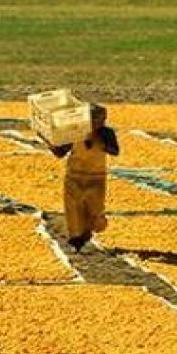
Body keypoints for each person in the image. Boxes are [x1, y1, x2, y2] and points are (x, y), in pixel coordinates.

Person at [50, 104, 119, 252]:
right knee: (74, 210)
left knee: (95, 211)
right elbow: (60, 153)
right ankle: (76, 241)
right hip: (74, 176)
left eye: (100, 120)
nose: (97, 123)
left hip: (96, 178)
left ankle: (90, 230)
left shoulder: (106, 133)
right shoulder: (75, 133)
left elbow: (114, 150)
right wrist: (52, 143)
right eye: (93, 120)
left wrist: (100, 140)